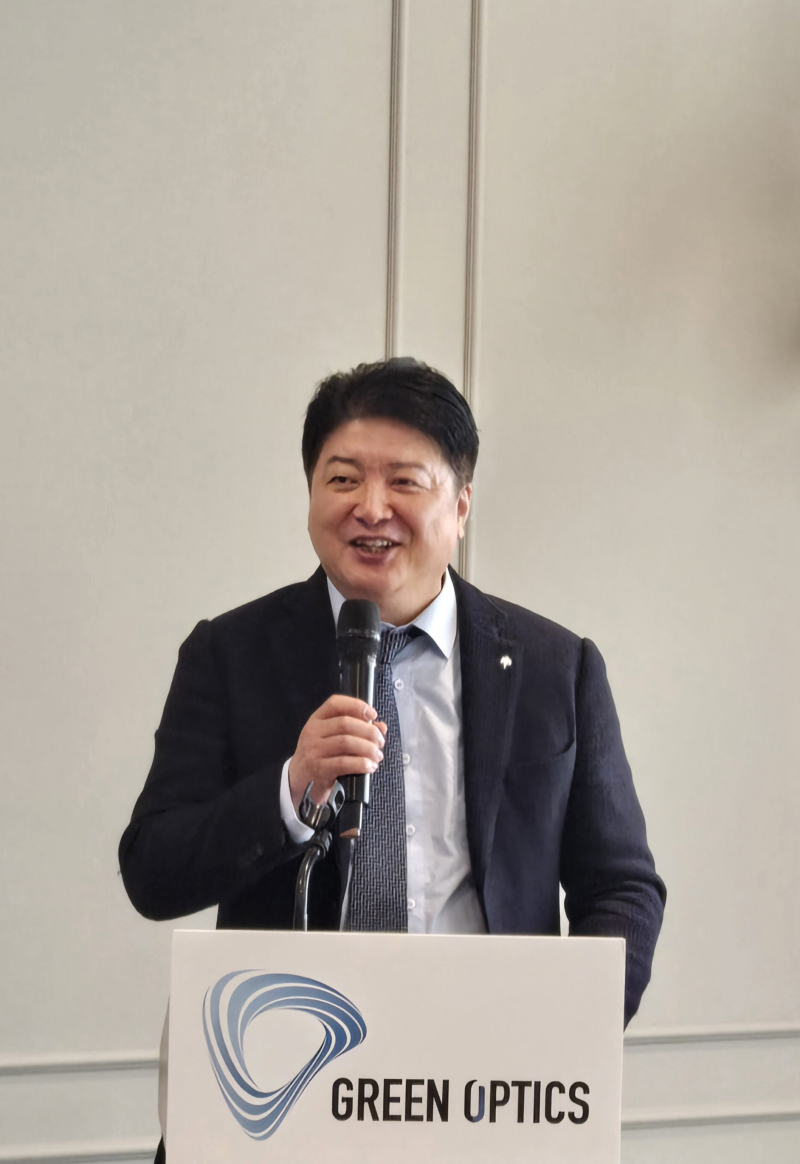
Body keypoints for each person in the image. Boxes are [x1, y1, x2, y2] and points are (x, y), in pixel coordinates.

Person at [120, 358, 665, 1161]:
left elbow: (621, 884)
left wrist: (563, 1031)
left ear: (461, 506)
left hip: (484, 1095)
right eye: (342, 478)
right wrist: (289, 790)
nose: (370, 508)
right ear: (311, 493)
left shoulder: (556, 667)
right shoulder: (229, 653)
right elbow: (153, 869)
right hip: (287, 1090)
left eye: (404, 481)